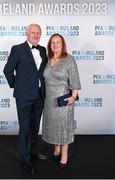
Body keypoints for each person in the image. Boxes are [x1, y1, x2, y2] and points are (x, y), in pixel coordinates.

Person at [3, 24, 47, 174]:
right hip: (24, 97)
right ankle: (25, 159)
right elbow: (7, 70)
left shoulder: (42, 50)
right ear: (27, 33)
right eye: (33, 32)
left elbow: (42, 72)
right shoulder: (18, 49)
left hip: (39, 96)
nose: (36, 35)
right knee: (25, 129)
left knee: (35, 127)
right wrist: (17, 86)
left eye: (38, 33)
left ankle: (33, 152)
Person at [42, 33, 81, 168]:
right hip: (49, 101)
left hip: (64, 100)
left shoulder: (69, 59)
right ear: (49, 45)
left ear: (63, 44)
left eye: (58, 42)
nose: (55, 45)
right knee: (53, 126)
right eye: (53, 43)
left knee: (63, 127)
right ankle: (56, 147)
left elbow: (75, 79)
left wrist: (73, 97)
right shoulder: (47, 59)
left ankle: (64, 154)